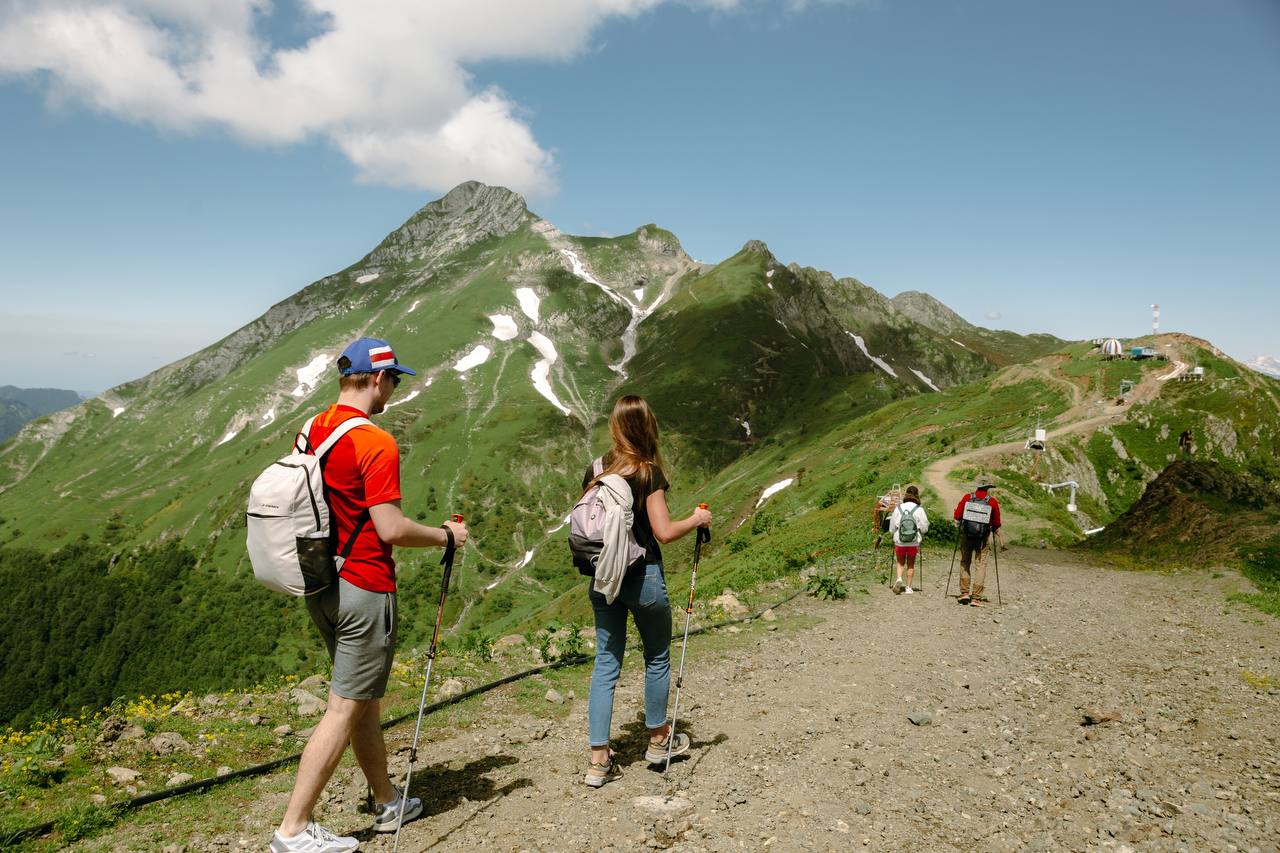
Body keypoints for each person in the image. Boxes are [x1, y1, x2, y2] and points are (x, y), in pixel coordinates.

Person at [271, 337, 469, 853]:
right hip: (364, 585)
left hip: (322, 582)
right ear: (378, 378)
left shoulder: (312, 428)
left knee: (364, 702)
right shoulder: (375, 441)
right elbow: (391, 528)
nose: (395, 389)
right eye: (395, 379)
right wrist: (446, 535)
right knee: (344, 706)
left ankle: (386, 800)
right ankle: (292, 830)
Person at [580, 395, 712, 788]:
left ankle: (598, 760)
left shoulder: (596, 469)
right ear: (647, 427)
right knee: (656, 656)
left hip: (603, 579)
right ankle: (658, 740)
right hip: (643, 579)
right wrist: (697, 518)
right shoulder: (648, 472)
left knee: (606, 662)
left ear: (616, 427)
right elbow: (664, 533)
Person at [952, 475, 1001, 607]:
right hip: (982, 539)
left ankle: (964, 593)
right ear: (988, 487)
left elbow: (957, 516)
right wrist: (995, 529)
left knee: (965, 562)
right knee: (980, 565)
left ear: (977, 485)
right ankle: (976, 598)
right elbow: (997, 522)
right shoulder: (992, 502)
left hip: (967, 536)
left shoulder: (968, 498)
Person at [889, 485, 928, 594]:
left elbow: (892, 528)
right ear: (917, 495)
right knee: (911, 564)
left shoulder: (898, 508)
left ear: (906, 494)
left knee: (900, 562)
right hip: (913, 541)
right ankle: (909, 587)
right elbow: (924, 528)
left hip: (900, 541)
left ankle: (899, 578)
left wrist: (894, 533)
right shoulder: (919, 509)